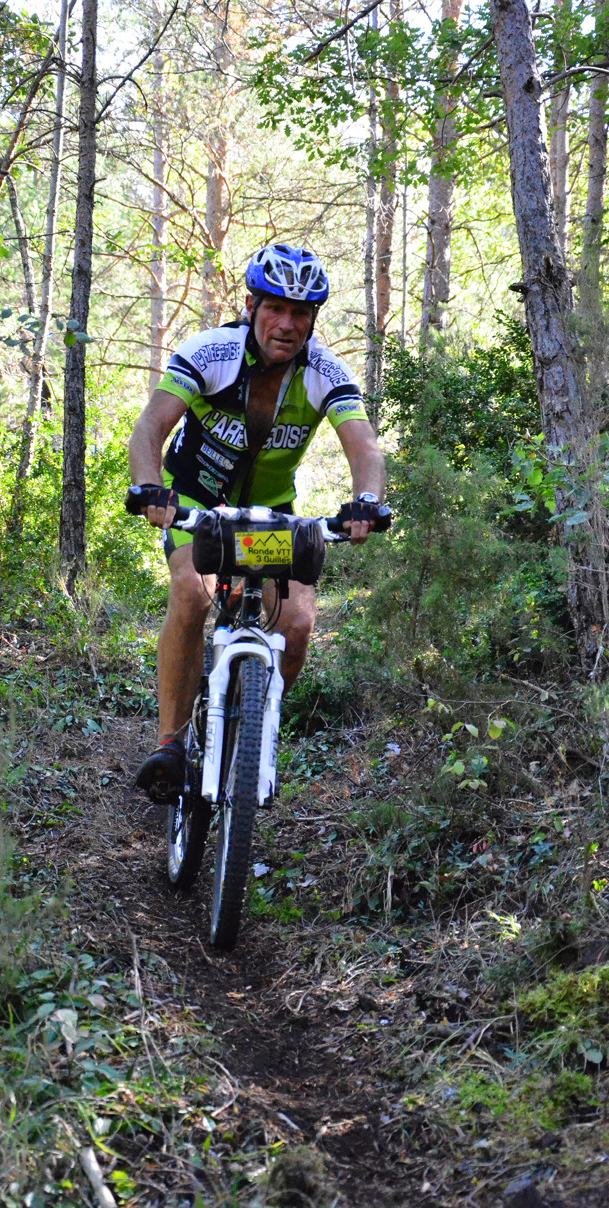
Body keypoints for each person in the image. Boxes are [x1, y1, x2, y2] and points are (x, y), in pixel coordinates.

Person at [128, 243, 386, 801]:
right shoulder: (212, 352)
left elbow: (365, 448)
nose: (287, 324)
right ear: (251, 305)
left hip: (271, 515)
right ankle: (171, 744)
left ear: (314, 320)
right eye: (275, 308)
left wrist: (366, 499)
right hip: (194, 503)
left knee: (295, 626)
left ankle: (248, 730)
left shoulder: (323, 371)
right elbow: (150, 427)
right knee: (193, 596)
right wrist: (151, 488)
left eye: (301, 314)